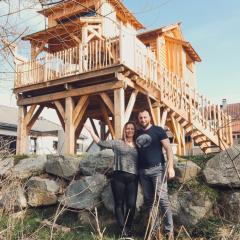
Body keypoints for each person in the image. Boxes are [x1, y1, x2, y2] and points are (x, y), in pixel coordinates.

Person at [84, 121, 138, 238]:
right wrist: (91, 131)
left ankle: (128, 227)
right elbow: (100, 143)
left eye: (132, 129)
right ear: (125, 130)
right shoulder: (117, 142)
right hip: (118, 177)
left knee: (131, 205)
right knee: (119, 204)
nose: (130, 131)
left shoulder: (138, 144)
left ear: (135, 131)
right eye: (127, 128)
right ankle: (123, 231)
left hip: (133, 178)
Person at [136, 110, 175, 240]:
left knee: (162, 199)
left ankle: (169, 231)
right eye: (140, 117)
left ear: (149, 118)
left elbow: (168, 148)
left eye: (145, 117)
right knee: (149, 201)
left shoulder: (158, 130)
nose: (142, 119)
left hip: (157, 169)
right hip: (142, 171)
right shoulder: (137, 133)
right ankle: (155, 231)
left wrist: (170, 167)